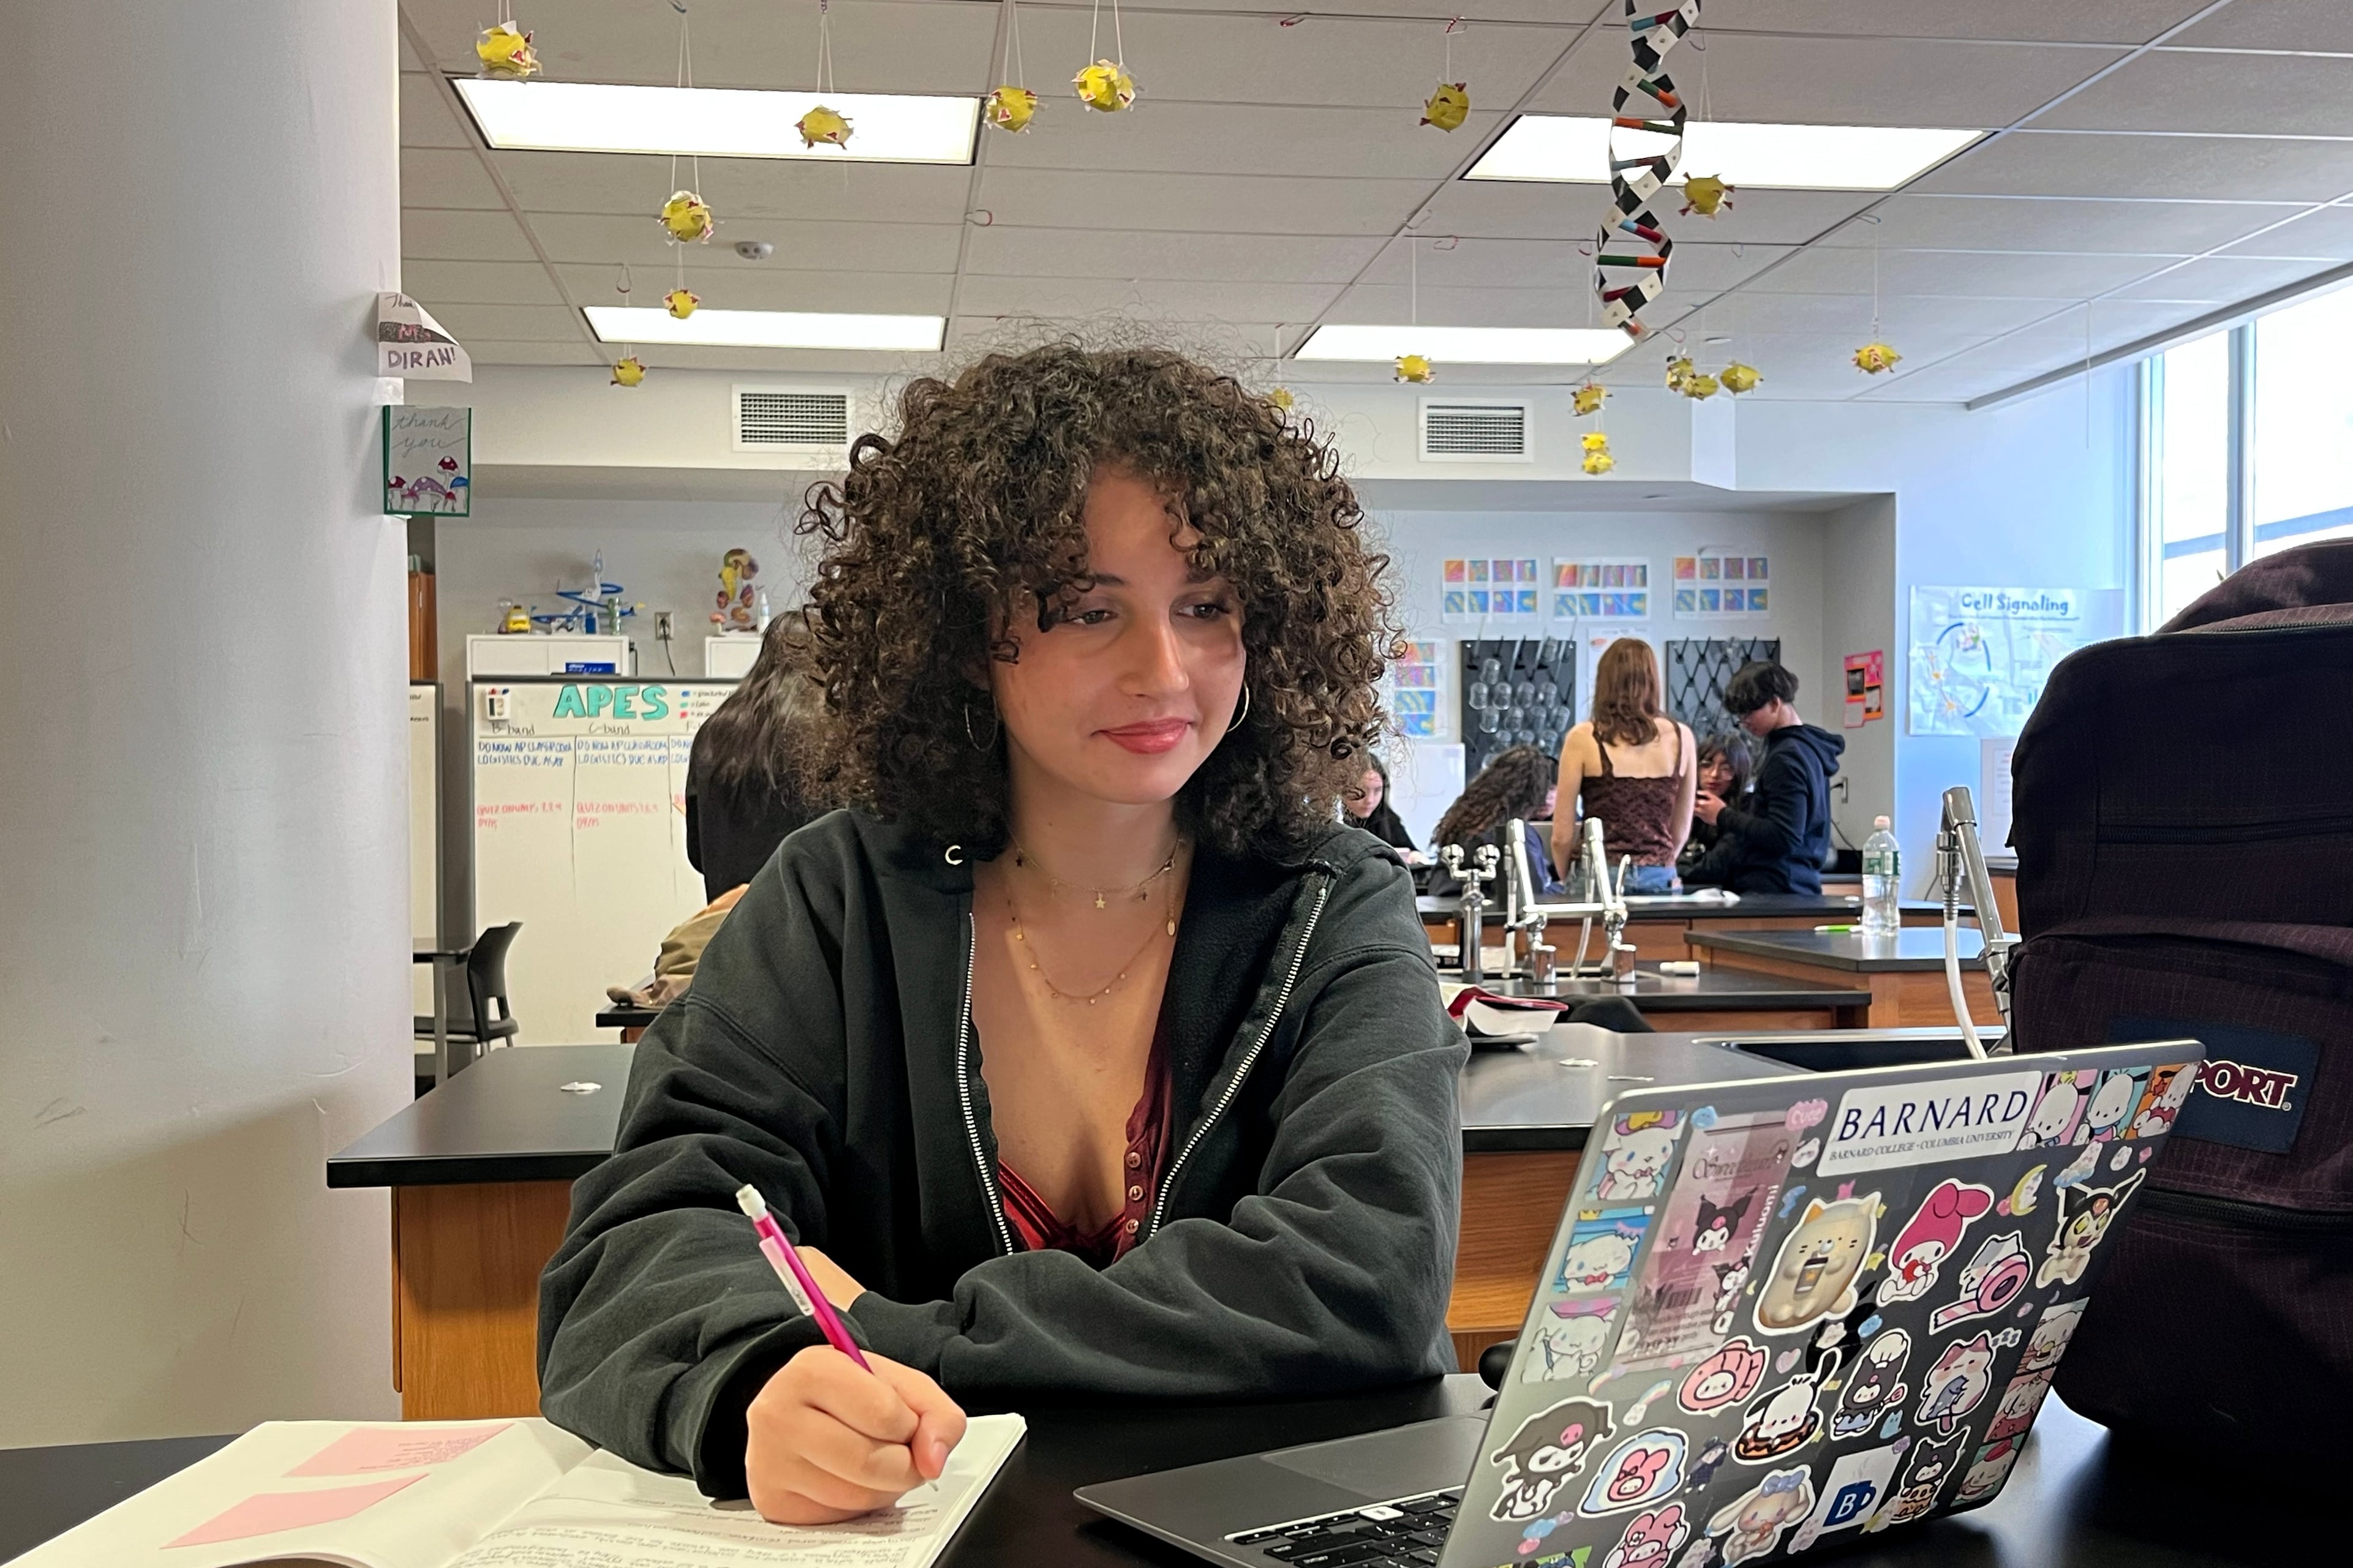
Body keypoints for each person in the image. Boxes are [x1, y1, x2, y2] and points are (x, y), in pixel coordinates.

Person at [536, 344, 1465, 1525]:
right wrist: (750, 1389)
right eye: (1087, 608)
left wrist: (886, 1335)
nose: (1161, 669)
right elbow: (636, 1255)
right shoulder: (837, 897)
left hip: (1283, 1536)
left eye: (1206, 607)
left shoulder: (1338, 902)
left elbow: (1365, 1276)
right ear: (968, 630)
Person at [684, 610, 823, 902]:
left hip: (728, 926)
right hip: (809, 928)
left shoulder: (712, 733)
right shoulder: (829, 736)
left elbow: (697, 855)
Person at [1683, 660, 1843, 895]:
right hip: (1793, 884)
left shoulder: (1786, 758)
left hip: (1777, 889)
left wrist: (1722, 815)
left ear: (1775, 703)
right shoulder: (1806, 749)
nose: (1744, 722)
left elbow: (1785, 836)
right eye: (1740, 715)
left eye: (1749, 713)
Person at [1551, 639, 1696, 895]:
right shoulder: (1682, 737)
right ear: (1653, 679)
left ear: (1604, 681)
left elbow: (1561, 836)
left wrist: (1568, 877)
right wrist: (1662, 861)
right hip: (1659, 875)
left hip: (1598, 872)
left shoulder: (1584, 737)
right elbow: (1681, 829)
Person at [1431, 743, 1564, 896]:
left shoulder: (1469, 821)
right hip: (1489, 915)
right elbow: (1531, 894)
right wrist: (1563, 888)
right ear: (1535, 792)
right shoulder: (1515, 833)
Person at [1676, 730, 1759, 881]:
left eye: (1726, 769)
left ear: (1738, 773)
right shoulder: (1684, 804)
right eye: (1706, 765)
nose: (1714, 774)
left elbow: (1715, 867)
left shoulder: (1746, 809)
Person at [1346, 751, 1424, 863]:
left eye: (1378, 790)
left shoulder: (1388, 819)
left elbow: (1411, 851)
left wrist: (1415, 857)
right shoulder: (1333, 823)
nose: (1370, 800)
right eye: (1361, 791)